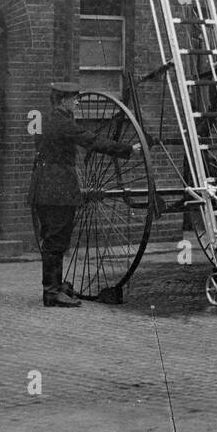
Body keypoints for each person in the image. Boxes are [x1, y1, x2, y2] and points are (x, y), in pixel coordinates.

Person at [28, 83, 140, 308]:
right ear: (62, 101)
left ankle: (56, 287)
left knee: (54, 238)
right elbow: (92, 141)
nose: (77, 103)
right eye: (74, 99)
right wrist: (126, 150)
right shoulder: (63, 124)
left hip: (44, 186)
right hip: (57, 189)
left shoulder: (44, 120)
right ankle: (51, 293)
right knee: (55, 240)